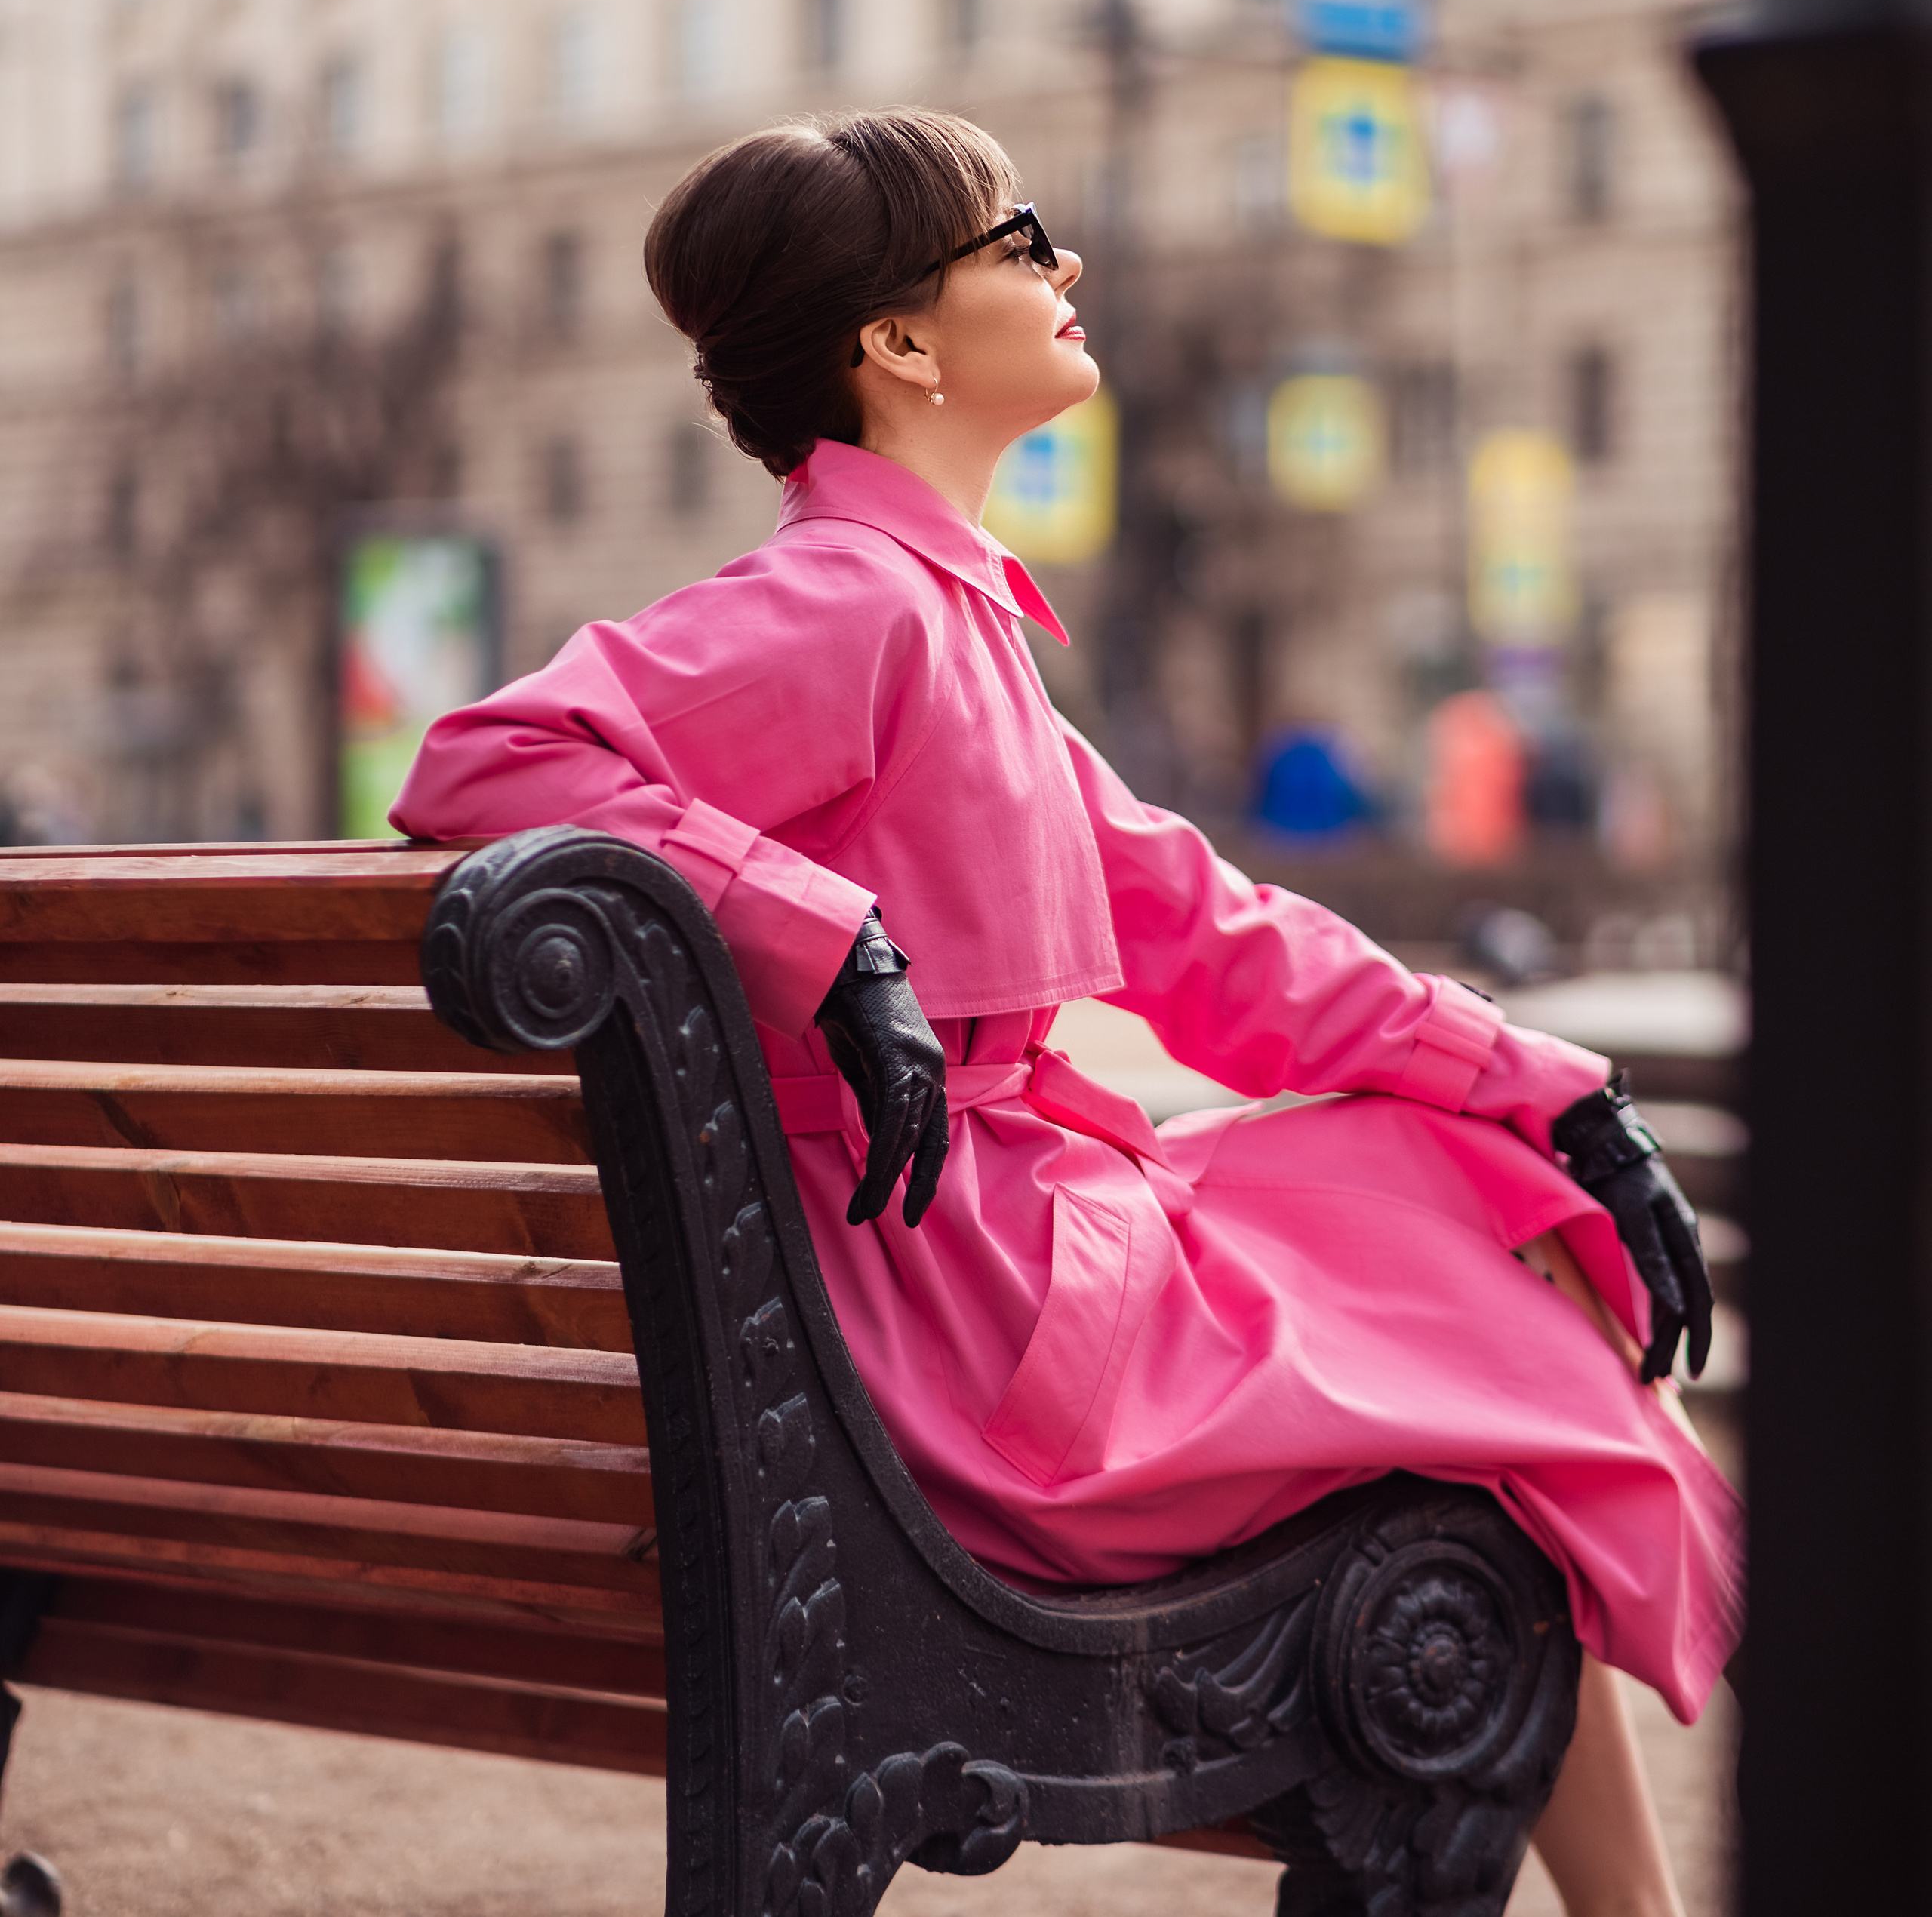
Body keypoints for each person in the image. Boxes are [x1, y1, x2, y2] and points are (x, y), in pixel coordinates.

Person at [395, 109, 1742, 1917]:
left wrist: (1547, 1095)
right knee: (1487, 1352)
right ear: (897, 345)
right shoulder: (850, 599)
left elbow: (1210, 932)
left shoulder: (935, 613)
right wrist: (823, 931)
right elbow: (484, 757)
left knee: (1470, 1194)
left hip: (924, 1304)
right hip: (954, 1342)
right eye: (1019, 242)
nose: (1068, 266)